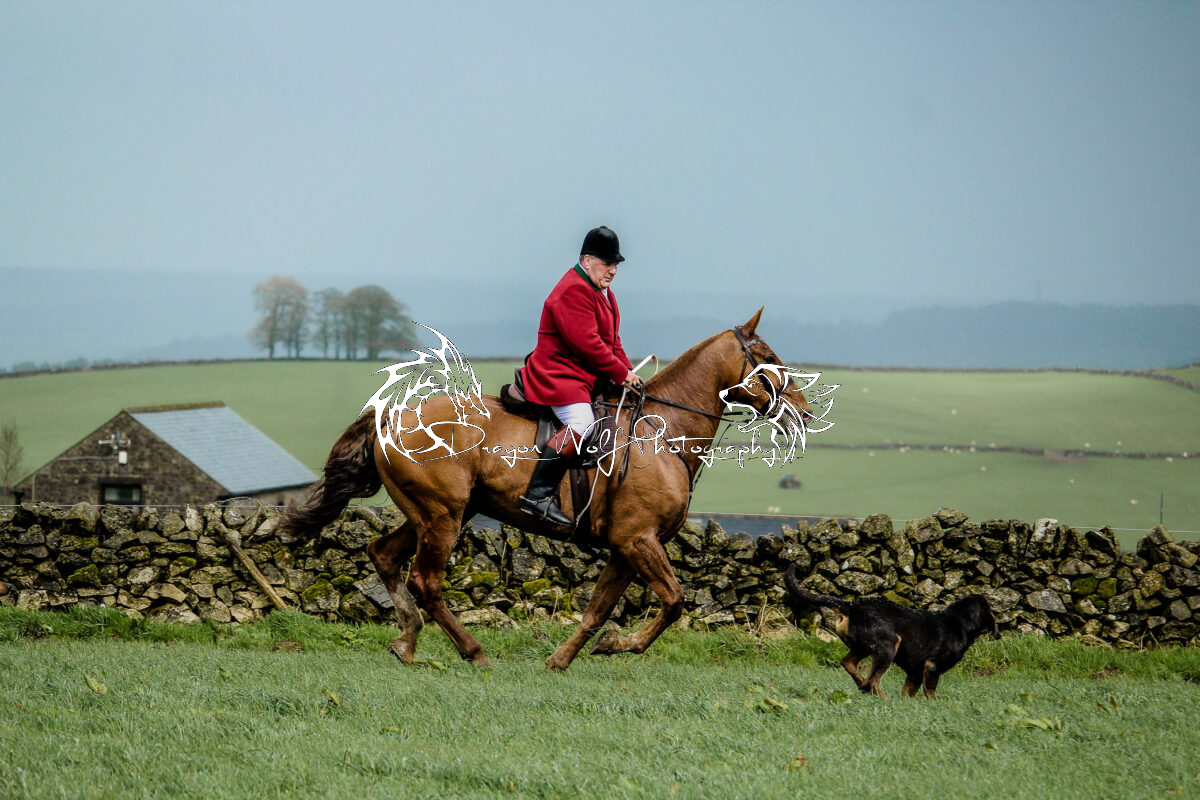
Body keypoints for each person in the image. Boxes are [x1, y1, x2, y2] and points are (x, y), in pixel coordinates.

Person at [519, 225, 643, 527]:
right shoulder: (573, 291)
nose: (613, 270)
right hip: (558, 374)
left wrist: (628, 373)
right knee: (582, 423)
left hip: (582, 374)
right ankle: (538, 494)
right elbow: (588, 345)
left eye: (616, 265)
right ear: (587, 261)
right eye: (607, 263)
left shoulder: (604, 293)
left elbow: (612, 342)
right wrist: (620, 374)